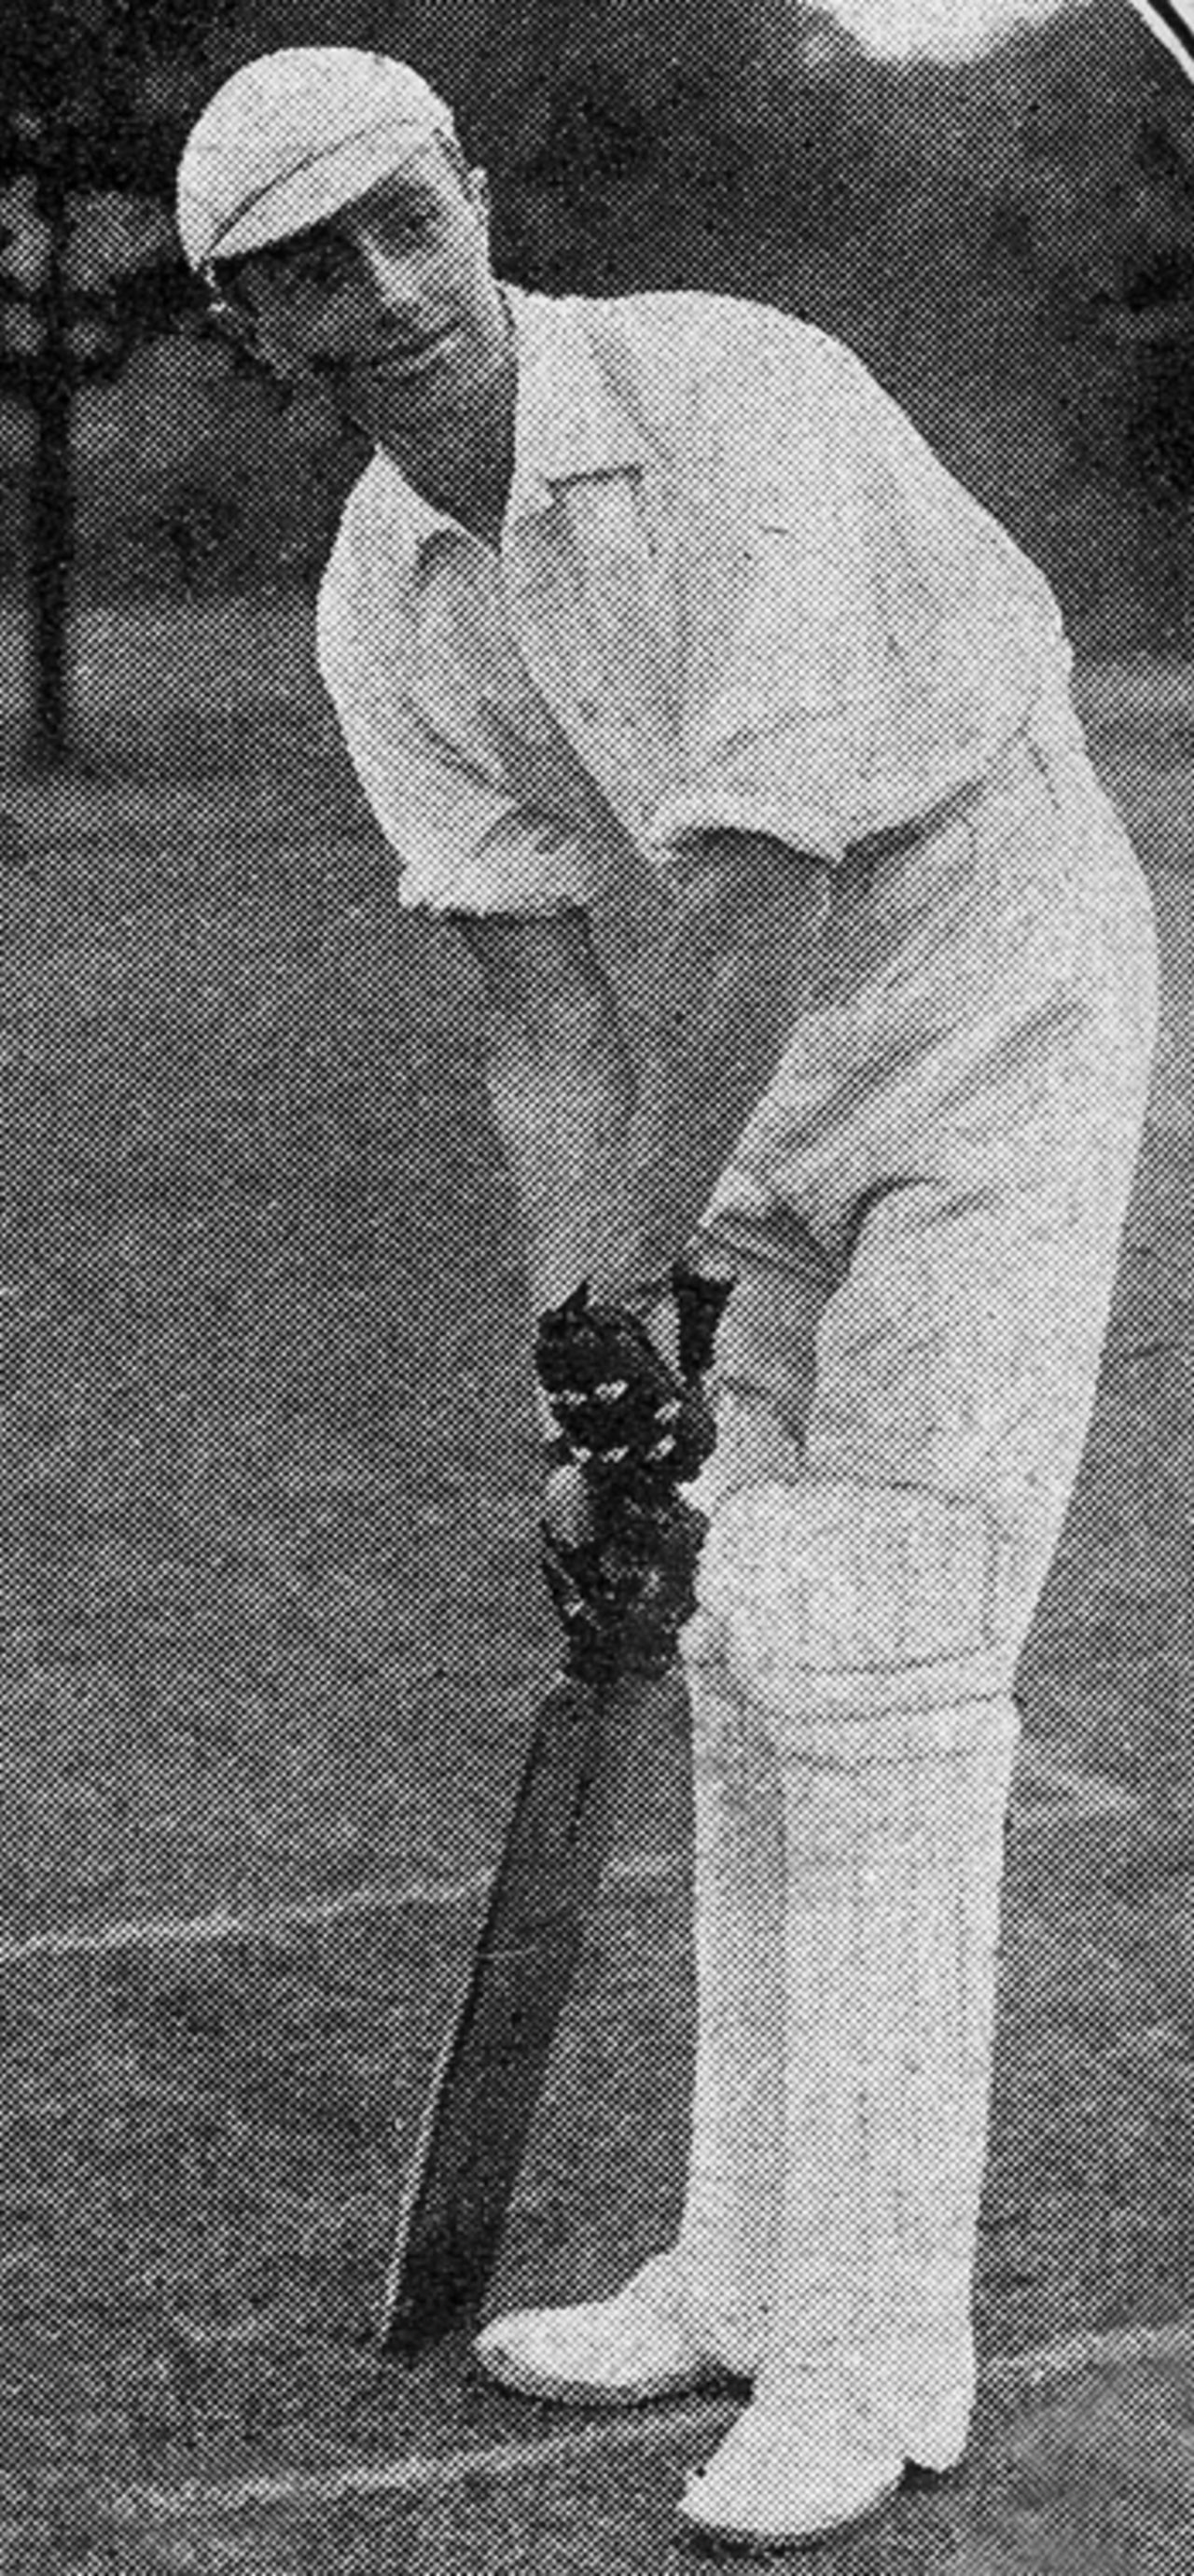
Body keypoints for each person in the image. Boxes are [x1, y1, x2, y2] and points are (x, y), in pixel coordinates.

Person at [176, 48, 1158, 2550]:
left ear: (473, 196)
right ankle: (739, 2262)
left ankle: (875, 2347)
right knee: (732, 1646)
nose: (382, 292)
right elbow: (541, 1014)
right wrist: (577, 1363)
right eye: (307, 268)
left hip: (986, 1012)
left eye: (403, 221)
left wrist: (638, 1276)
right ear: (252, 322)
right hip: (745, 1079)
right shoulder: (382, 595)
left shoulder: (739, 392)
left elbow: (749, 890)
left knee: (887, 1672)